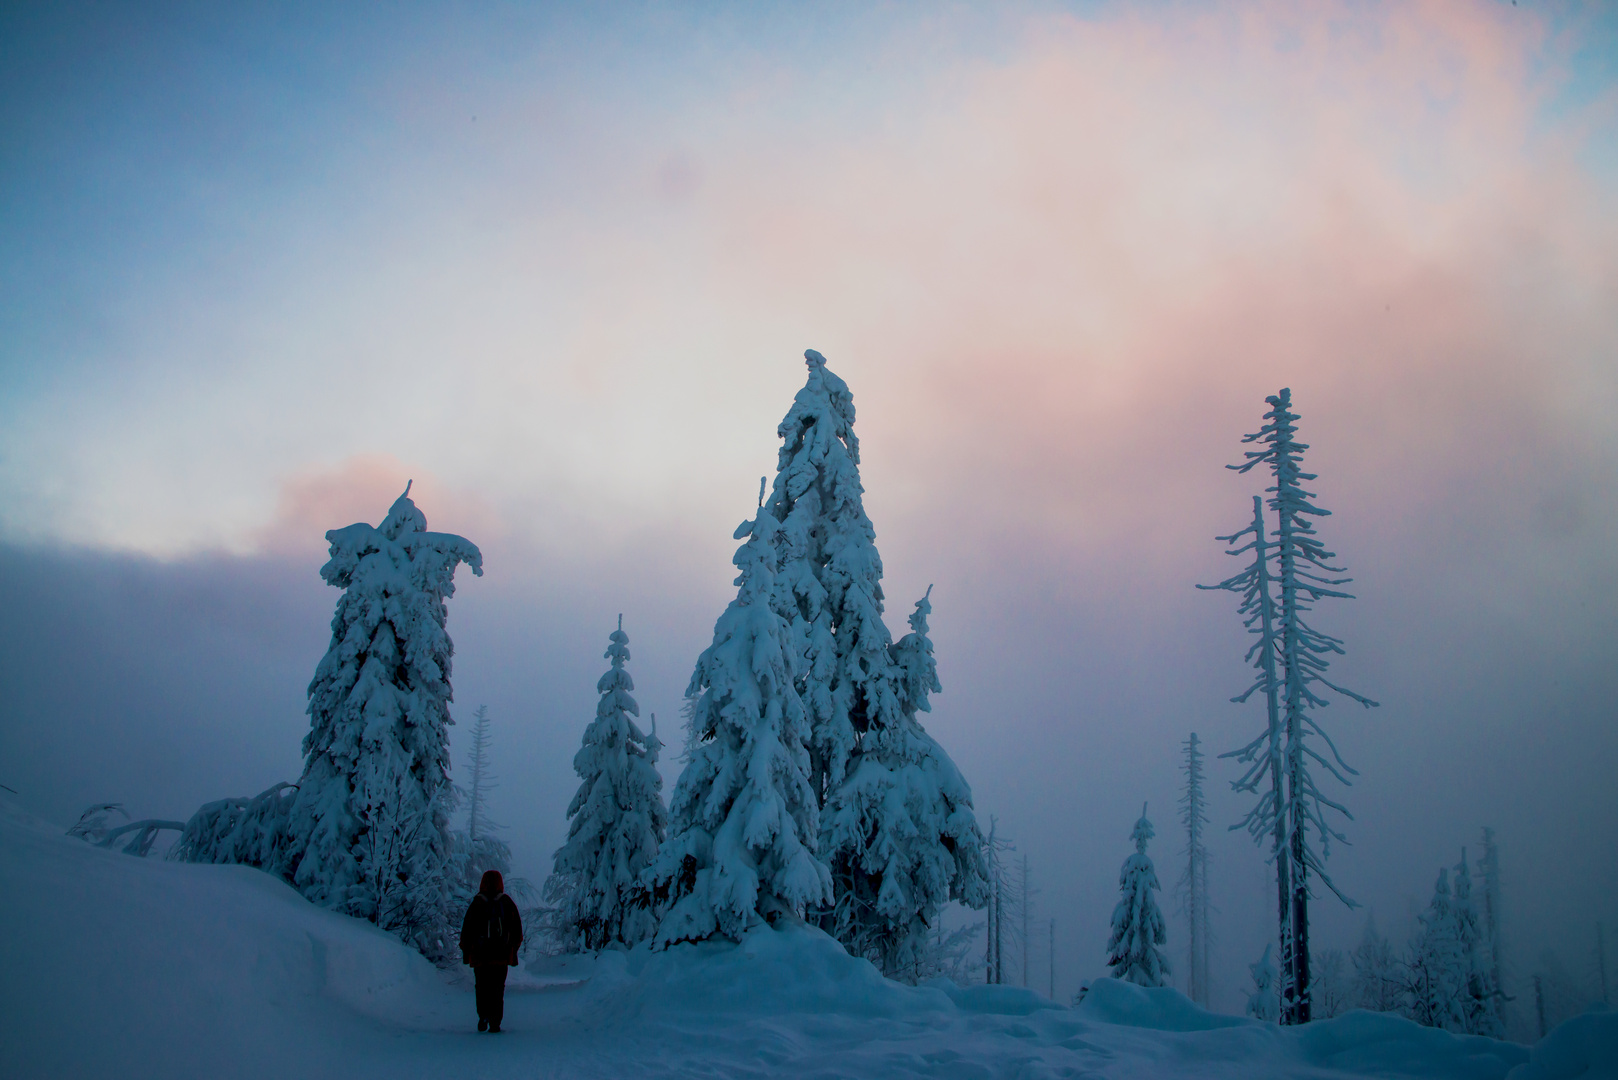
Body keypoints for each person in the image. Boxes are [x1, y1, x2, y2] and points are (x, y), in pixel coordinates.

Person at [460, 869, 523, 1032]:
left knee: (481, 987)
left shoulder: (477, 903)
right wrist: (512, 951)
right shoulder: (507, 902)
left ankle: (483, 1016)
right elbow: (517, 931)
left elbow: (466, 931)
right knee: (497, 988)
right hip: (501, 956)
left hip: (480, 956)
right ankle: (496, 1022)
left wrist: (467, 953)